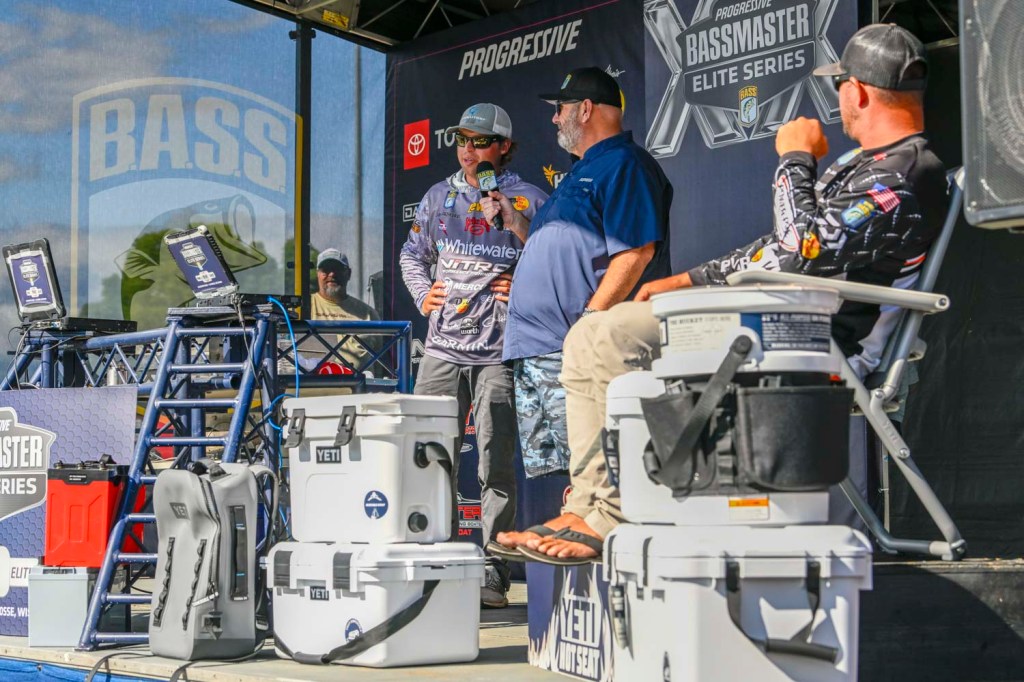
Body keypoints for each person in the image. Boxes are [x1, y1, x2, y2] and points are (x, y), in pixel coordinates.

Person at [495, 24, 948, 563]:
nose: (838, 100)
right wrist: (686, 280)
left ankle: (611, 513)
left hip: (815, 339)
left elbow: (801, 249)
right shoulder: (862, 165)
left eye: (840, 86)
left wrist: (794, 159)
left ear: (860, 92)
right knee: (592, 333)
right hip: (773, 320)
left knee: (610, 335)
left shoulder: (910, 171)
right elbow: (776, 248)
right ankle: (590, 505)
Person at [493, 67, 672, 491]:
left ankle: (610, 533)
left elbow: (636, 252)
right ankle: (583, 529)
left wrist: (589, 325)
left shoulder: (625, 163)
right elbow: (556, 246)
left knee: (604, 469)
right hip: (537, 348)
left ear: (586, 108)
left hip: (577, 348)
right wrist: (515, 222)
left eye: (561, 108)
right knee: (577, 475)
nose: (554, 118)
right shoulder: (578, 171)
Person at [399, 103, 548, 608]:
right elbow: (412, 255)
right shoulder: (436, 198)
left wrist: (522, 284)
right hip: (441, 350)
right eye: (462, 139)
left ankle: (494, 570)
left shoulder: (529, 199)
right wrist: (424, 295)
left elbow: (555, 260)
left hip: (498, 354)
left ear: (503, 147)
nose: (468, 149)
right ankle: (430, 563)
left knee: (494, 464)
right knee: (424, 457)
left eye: (480, 141)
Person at [298, 248, 379, 372]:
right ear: (318, 274)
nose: (332, 274)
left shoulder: (368, 313)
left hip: (362, 384)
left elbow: (384, 360)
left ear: (349, 273)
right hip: (313, 383)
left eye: (337, 269)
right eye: (326, 269)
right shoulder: (303, 306)